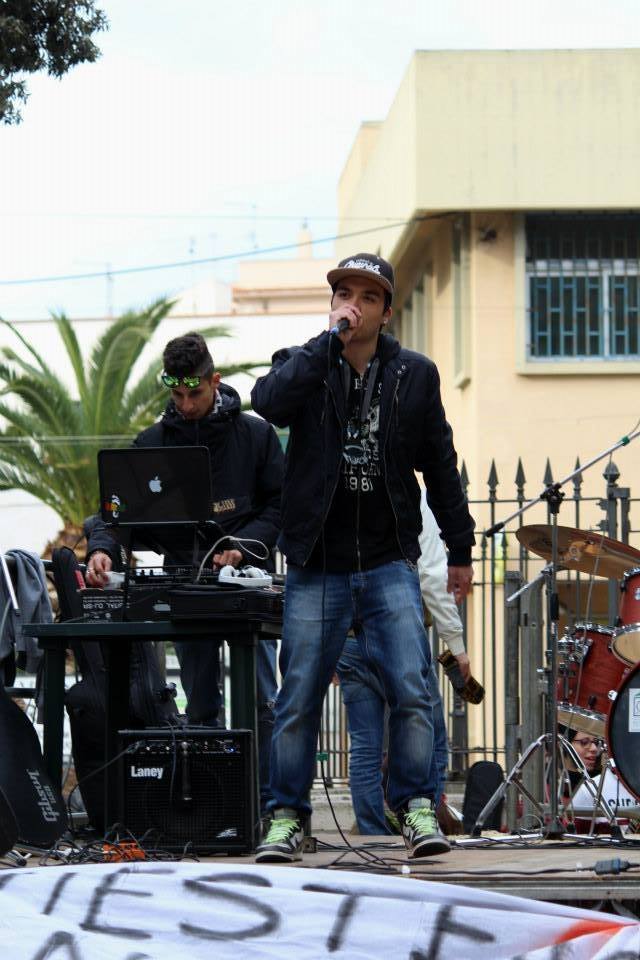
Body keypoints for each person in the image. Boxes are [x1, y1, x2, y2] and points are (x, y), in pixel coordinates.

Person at [251, 252, 475, 862]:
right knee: (298, 696)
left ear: (386, 312)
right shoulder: (303, 363)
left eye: (367, 297)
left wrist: (460, 548)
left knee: (412, 688)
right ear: (332, 305)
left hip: (386, 558)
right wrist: (326, 346)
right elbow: (268, 403)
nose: (353, 305)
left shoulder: (415, 375)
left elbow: (441, 466)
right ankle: (286, 818)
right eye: (343, 295)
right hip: (316, 562)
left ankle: (417, 807)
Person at [85, 332, 284, 813]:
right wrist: (103, 549)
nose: (186, 405)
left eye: (194, 393)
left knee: (262, 699)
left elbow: (282, 506)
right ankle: (214, 808)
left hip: (248, 587)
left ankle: (270, 806)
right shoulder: (151, 445)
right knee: (200, 704)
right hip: (185, 587)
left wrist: (241, 547)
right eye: (177, 395)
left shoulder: (255, 436)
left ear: (215, 381)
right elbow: (116, 513)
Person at [337, 490, 471, 835]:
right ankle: (425, 818)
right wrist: (456, 645)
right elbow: (431, 576)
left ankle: (371, 831)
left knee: (365, 743)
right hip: (397, 636)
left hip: (349, 638)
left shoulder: (342, 496)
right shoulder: (411, 496)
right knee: (428, 731)